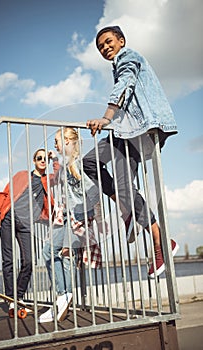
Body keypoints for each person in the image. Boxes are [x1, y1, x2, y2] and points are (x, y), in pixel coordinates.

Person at [83, 25, 179, 278]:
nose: (105, 48)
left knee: (125, 185)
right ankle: (127, 210)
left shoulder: (128, 57)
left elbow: (125, 84)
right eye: (100, 46)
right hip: (123, 131)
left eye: (108, 42)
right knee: (89, 162)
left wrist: (106, 117)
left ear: (121, 40)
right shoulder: (118, 63)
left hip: (137, 131)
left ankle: (161, 241)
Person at [39, 127, 103, 323]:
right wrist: (54, 160)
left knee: (66, 254)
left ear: (66, 141)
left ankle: (63, 296)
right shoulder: (67, 165)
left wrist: (78, 212)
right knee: (48, 251)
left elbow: (94, 194)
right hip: (64, 217)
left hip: (75, 218)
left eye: (57, 141)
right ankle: (63, 295)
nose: (55, 144)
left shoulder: (78, 166)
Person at [0, 149, 59, 314]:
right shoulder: (22, 175)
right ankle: (10, 299)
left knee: (28, 261)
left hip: (26, 224)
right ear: (34, 161)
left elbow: (60, 176)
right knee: (8, 260)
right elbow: (4, 193)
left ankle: (18, 296)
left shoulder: (47, 180)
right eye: (39, 158)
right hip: (8, 217)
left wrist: (55, 158)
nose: (43, 160)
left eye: (45, 158)